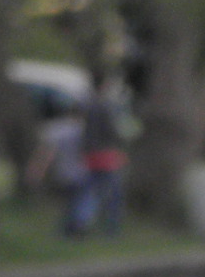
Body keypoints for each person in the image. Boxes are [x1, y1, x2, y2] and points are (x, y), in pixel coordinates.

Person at [27, 106, 93, 237]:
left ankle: (69, 228)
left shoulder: (55, 130)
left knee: (68, 202)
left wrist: (37, 170)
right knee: (81, 200)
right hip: (82, 171)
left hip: (62, 172)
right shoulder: (82, 130)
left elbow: (46, 154)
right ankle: (77, 226)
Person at [81, 86, 132, 236]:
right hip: (107, 154)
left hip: (91, 154)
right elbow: (113, 132)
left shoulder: (88, 107)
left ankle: (81, 221)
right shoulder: (107, 108)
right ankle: (111, 227)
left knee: (90, 191)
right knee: (114, 193)